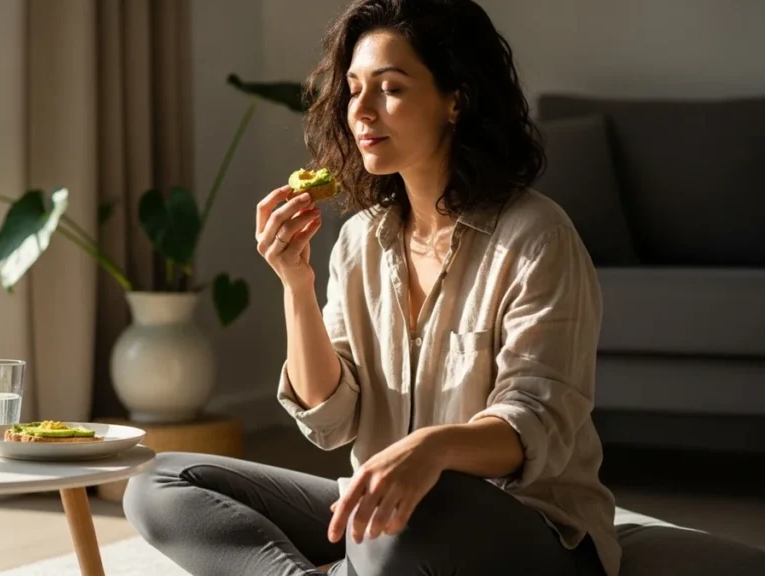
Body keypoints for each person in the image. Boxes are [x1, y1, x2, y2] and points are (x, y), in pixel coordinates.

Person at [123, 0, 619, 574]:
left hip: (533, 529)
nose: (360, 110)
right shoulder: (361, 240)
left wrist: (427, 451)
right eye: (353, 88)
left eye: (390, 88)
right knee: (159, 482)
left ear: (456, 98)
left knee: (402, 522)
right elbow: (331, 422)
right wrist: (295, 281)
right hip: (382, 519)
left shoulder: (537, 236)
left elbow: (536, 427)